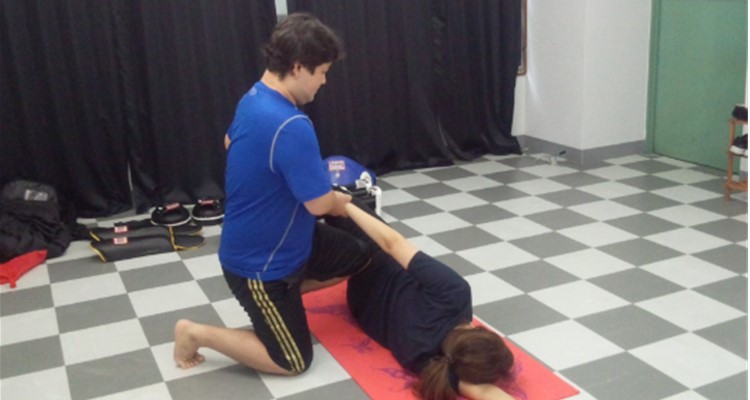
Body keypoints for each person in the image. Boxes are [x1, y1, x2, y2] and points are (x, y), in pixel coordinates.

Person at [173, 13, 371, 376]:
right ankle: (195, 333)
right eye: (322, 72)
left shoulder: (254, 97)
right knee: (293, 361)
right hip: (259, 265)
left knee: (359, 255)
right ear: (297, 67)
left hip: (294, 241)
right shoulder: (291, 124)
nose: (324, 81)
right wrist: (339, 201)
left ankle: (287, 301)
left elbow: (229, 141)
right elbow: (319, 204)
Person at [326, 200, 516, 400]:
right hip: (358, 300)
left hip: (373, 256)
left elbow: (393, 244)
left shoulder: (454, 293)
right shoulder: (427, 362)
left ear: (476, 330)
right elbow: (481, 391)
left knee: (330, 199)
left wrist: (345, 205)